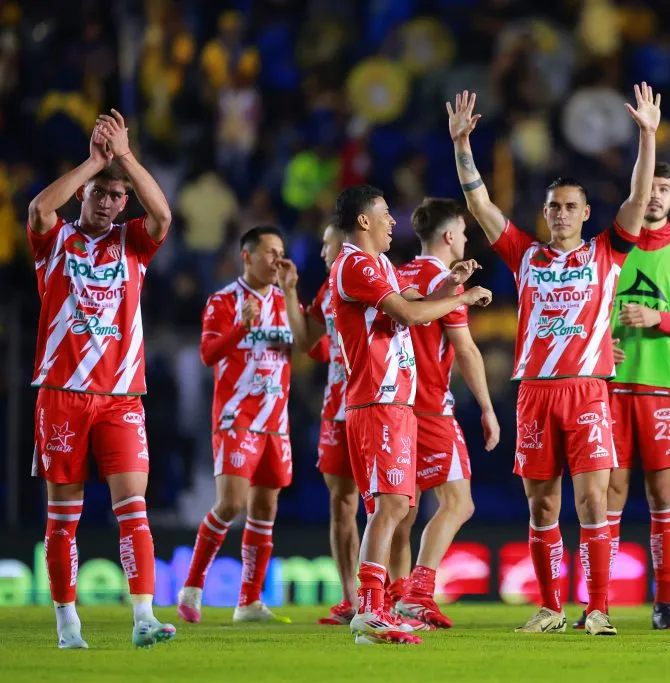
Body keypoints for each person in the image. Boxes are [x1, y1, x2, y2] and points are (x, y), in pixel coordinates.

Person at [448, 83, 661, 635]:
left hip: (588, 390)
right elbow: (480, 205)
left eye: (571, 207)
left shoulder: (608, 251)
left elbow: (638, 198)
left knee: (593, 503)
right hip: (535, 394)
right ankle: (550, 608)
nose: (562, 214)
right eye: (553, 207)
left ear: (587, 213)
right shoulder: (525, 255)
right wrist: (462, 147)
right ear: (544, 214)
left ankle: (598, 611)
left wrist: (647, 134)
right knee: (542, 508)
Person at [28, 111, 176, 648]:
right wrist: (94, 161)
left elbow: (162, 215)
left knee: (132, 507)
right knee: (63, 518)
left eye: (118, 195)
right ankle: (69, 626)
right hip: (62, 394)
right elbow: (39, 207)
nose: (111, 202)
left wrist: (127, 158)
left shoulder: (132, 243)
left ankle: (143, 618)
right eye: (101, 192)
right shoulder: (54, 241)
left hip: (120, 397)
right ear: (83, 194)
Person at [330, 184, 492, 646]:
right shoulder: (356, 263)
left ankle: (377, 611)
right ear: (364, 221)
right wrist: (461, 298)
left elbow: (419, 299)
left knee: (397, 505)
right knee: (393, 506)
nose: (392, 221)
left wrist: (450, 282)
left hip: (396, 402)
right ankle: (371, 608)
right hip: (378, 401)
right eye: (384, 214)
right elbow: (409, 313)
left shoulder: (380, 264)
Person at [570, 162, 670, 631]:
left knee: (662, 494)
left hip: (665, 387)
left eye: (664, 189)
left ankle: (664, 604)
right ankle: (598, 604)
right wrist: (602, 343)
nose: (655, 197)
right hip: (610, 387)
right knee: (611, 493)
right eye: (650, 188)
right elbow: (585, 308)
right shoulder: (610, 250)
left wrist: (660, 320)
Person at [385, 198, 500, 629]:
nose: (467, 239)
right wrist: (487, 407)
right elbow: (466, 349)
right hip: (430, 406)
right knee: (458, 501)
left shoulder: (401, 272)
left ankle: (389, 597)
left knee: (401, 510)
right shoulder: (444, 280)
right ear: (450, 235)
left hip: (393, 403)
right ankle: (417, 592)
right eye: (464, 233)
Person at [177, 226, 295, 625]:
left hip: (276, 421)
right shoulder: (223, 300)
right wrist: (241, 328)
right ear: (246, 256)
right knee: (231, 503)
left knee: (265, 508)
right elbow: (208, 353)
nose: (276, 260)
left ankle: (248, 602)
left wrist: (297, 298)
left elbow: (316, 345)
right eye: (269, 252)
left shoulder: (286, 302)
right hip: (237, 417)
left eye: (281, 252)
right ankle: (192, 586)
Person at [276, 223, 360, 626]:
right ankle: (352, 598)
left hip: (380, 403)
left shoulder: (376, 273)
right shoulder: (328, 289)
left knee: (391, 505)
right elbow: (306, 340)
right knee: (341, 503)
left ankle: (393, 592)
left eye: (326, 243)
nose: (322, 250)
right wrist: (290, 291)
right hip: (338, 407)